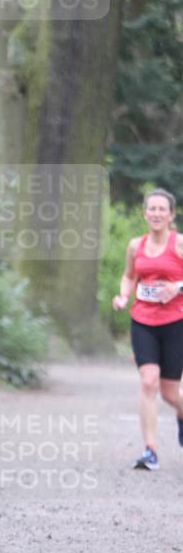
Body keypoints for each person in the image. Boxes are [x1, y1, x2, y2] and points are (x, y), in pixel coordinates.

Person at [112, 188, 183, 470]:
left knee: (169, 393)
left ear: (171, 214)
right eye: (151, 209)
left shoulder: (179, 244)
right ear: (144, 213)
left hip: (176, 323)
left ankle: (181, 413)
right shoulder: (134, 246)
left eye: (161, 209)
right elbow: (129, 276)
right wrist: (122, 295)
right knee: (148, 381)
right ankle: (150, 450)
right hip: (143, 321)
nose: (156, 213)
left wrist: (177, 287)